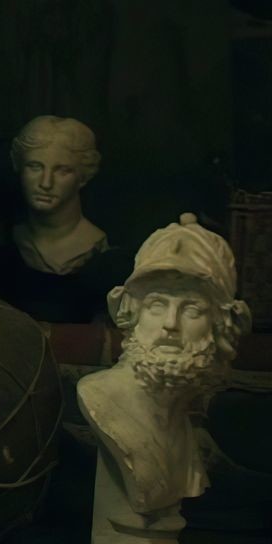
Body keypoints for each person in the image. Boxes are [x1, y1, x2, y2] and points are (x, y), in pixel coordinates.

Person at [78, 213, 251, 541]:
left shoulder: (182, 420)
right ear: (133, 314)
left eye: (192, 309)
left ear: (219, 326)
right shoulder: (101, 397)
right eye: (157, 305)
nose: (170, 323)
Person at [0, 115, 130, 323]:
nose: (45, 183)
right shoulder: (9, 241)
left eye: (62, 170)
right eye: (35, 167)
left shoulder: (97, 247)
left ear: (83, 176)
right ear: (18, 167)